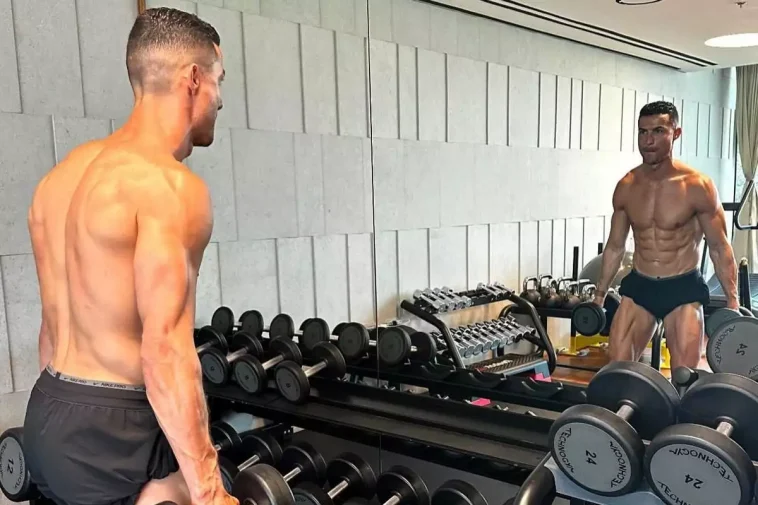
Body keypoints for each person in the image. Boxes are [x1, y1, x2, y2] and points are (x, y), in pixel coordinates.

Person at [23, 7, 235, 505]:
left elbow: (51, 330)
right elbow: (166, 350)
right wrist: (210, 492)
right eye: (219, 81)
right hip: (113, 431)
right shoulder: (170, 187)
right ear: (193, 79)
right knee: (202, 489)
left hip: (47, 411)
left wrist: (70, 438)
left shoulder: (60, 178)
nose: (220, 99)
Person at [594, 101, 739, 370]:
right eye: (643, 132)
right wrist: (599, 296)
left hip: (682, 288)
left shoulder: (697, 186)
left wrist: (732, 301)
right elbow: (615, 247)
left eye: (658, 131)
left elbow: (719, 247)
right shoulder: (627, 186)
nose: (648, 140)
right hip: (640, 285)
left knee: (684, 375)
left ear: (676, 133)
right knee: (617, 370)